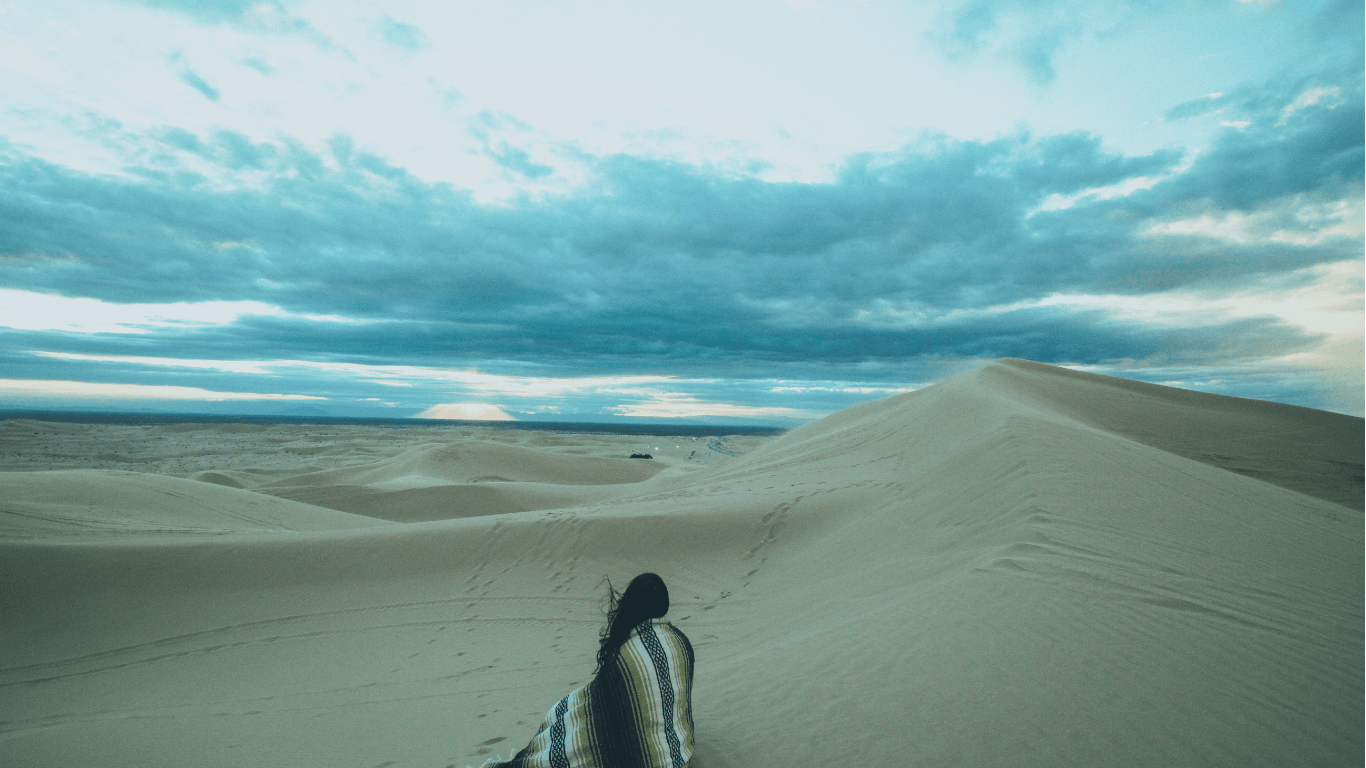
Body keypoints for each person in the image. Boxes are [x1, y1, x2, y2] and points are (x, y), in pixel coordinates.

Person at [480, 573, 695, 768]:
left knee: (566, 718)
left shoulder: (625, 654)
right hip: (677, 758)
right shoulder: (681, 643)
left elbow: (601, 715)